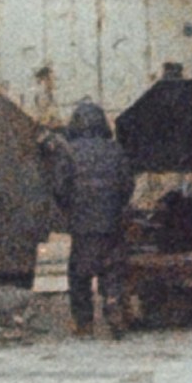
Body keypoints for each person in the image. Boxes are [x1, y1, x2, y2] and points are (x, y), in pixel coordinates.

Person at [45, 99, 134, 338]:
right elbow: (127, 185)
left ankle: (84, 324)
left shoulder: (68, 151)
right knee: (112, 267)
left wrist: (69, 209)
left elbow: (59, 188)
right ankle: (113, 301)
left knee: (79, 273)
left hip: (82, 222)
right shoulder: (115, 150)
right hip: (111, 221)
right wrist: (116, 206)